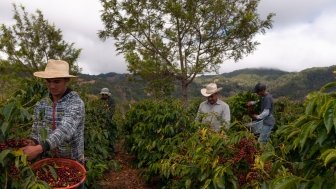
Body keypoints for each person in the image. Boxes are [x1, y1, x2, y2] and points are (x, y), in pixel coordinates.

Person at [22, 59, 85, 164]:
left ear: (66, 80)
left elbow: (65, 130)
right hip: (47, 160)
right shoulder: (41, 104)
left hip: (71, 160)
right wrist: (32, 142)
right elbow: (37, 130)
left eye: (56, 81)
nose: (51, 86)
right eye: (48, 81)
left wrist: (39, 149)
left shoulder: (76, 103)